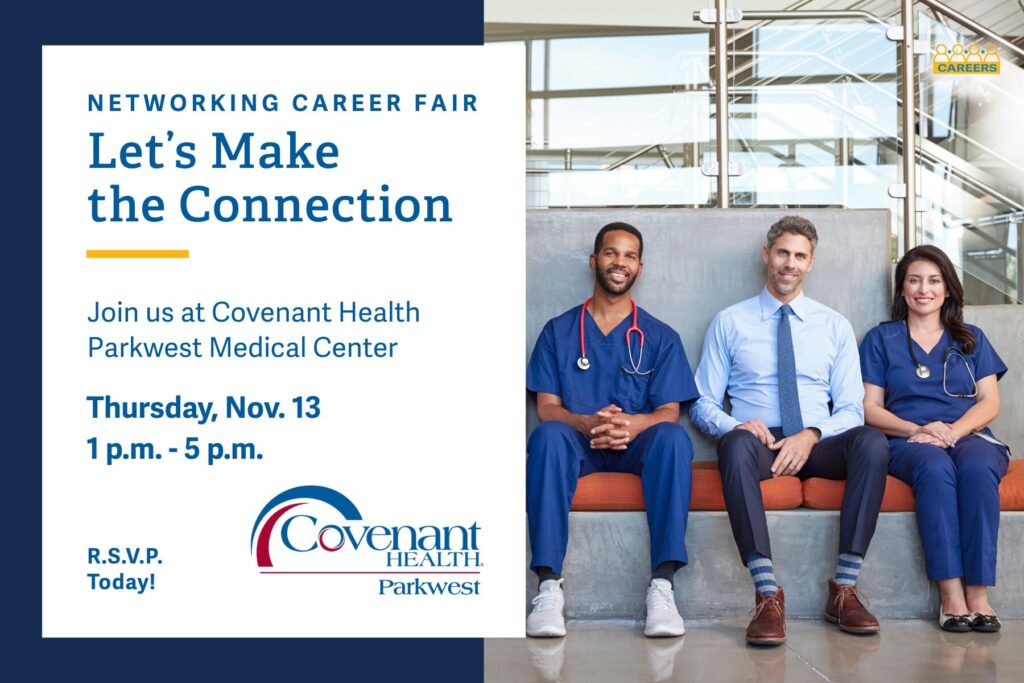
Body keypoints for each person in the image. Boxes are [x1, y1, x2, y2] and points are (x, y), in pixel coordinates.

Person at [690, 215, 889, 646]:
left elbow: (853, 408)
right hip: (760, 444)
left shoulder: (834, 325)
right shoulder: (730, 321)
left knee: (873, 442)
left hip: (820, 441)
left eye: (800, 256)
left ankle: (845, 589)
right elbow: (703, 403)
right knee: (734, 445)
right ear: (767, 254)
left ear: (811, 263)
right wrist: (737, 424)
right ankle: (766, 594)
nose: (789, 263)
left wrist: (812, 434)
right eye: (783, 253)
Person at [526, 222, 698, 638]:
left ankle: (662, 586)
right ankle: (548, 588)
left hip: (637, 445)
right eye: (610, 253)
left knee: (674, 439)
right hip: (576, 443)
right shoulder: (558, 331)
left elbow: (669, 412)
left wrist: (635, 423)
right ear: (594, 260)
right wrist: (585, 423)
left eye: (629, 255)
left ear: (640, 267)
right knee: (545, 437)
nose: (619, 262)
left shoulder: (659, 335)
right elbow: (547, 408)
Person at [860, 245, 1009, 633]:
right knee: (934, 466)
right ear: (902, 289)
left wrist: (952, 432)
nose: (923, 289)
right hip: (907, 441)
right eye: (914, 280)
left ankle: (978, 595)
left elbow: (989, 402)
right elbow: (869, 408)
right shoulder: (880, 339)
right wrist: (916, 431)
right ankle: (950, 596)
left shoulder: (971, 338)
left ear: (947, 288)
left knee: (977, 469)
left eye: (933, 280)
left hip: (970, 436)